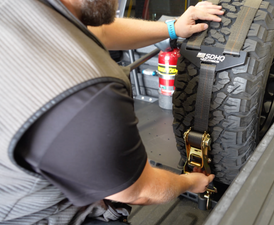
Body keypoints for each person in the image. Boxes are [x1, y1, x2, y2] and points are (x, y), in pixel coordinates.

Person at [0, 0, 223, 224]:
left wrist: (173, 28)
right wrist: (191, 183)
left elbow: (101, 31)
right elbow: (140, 190)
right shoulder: (89, 94)